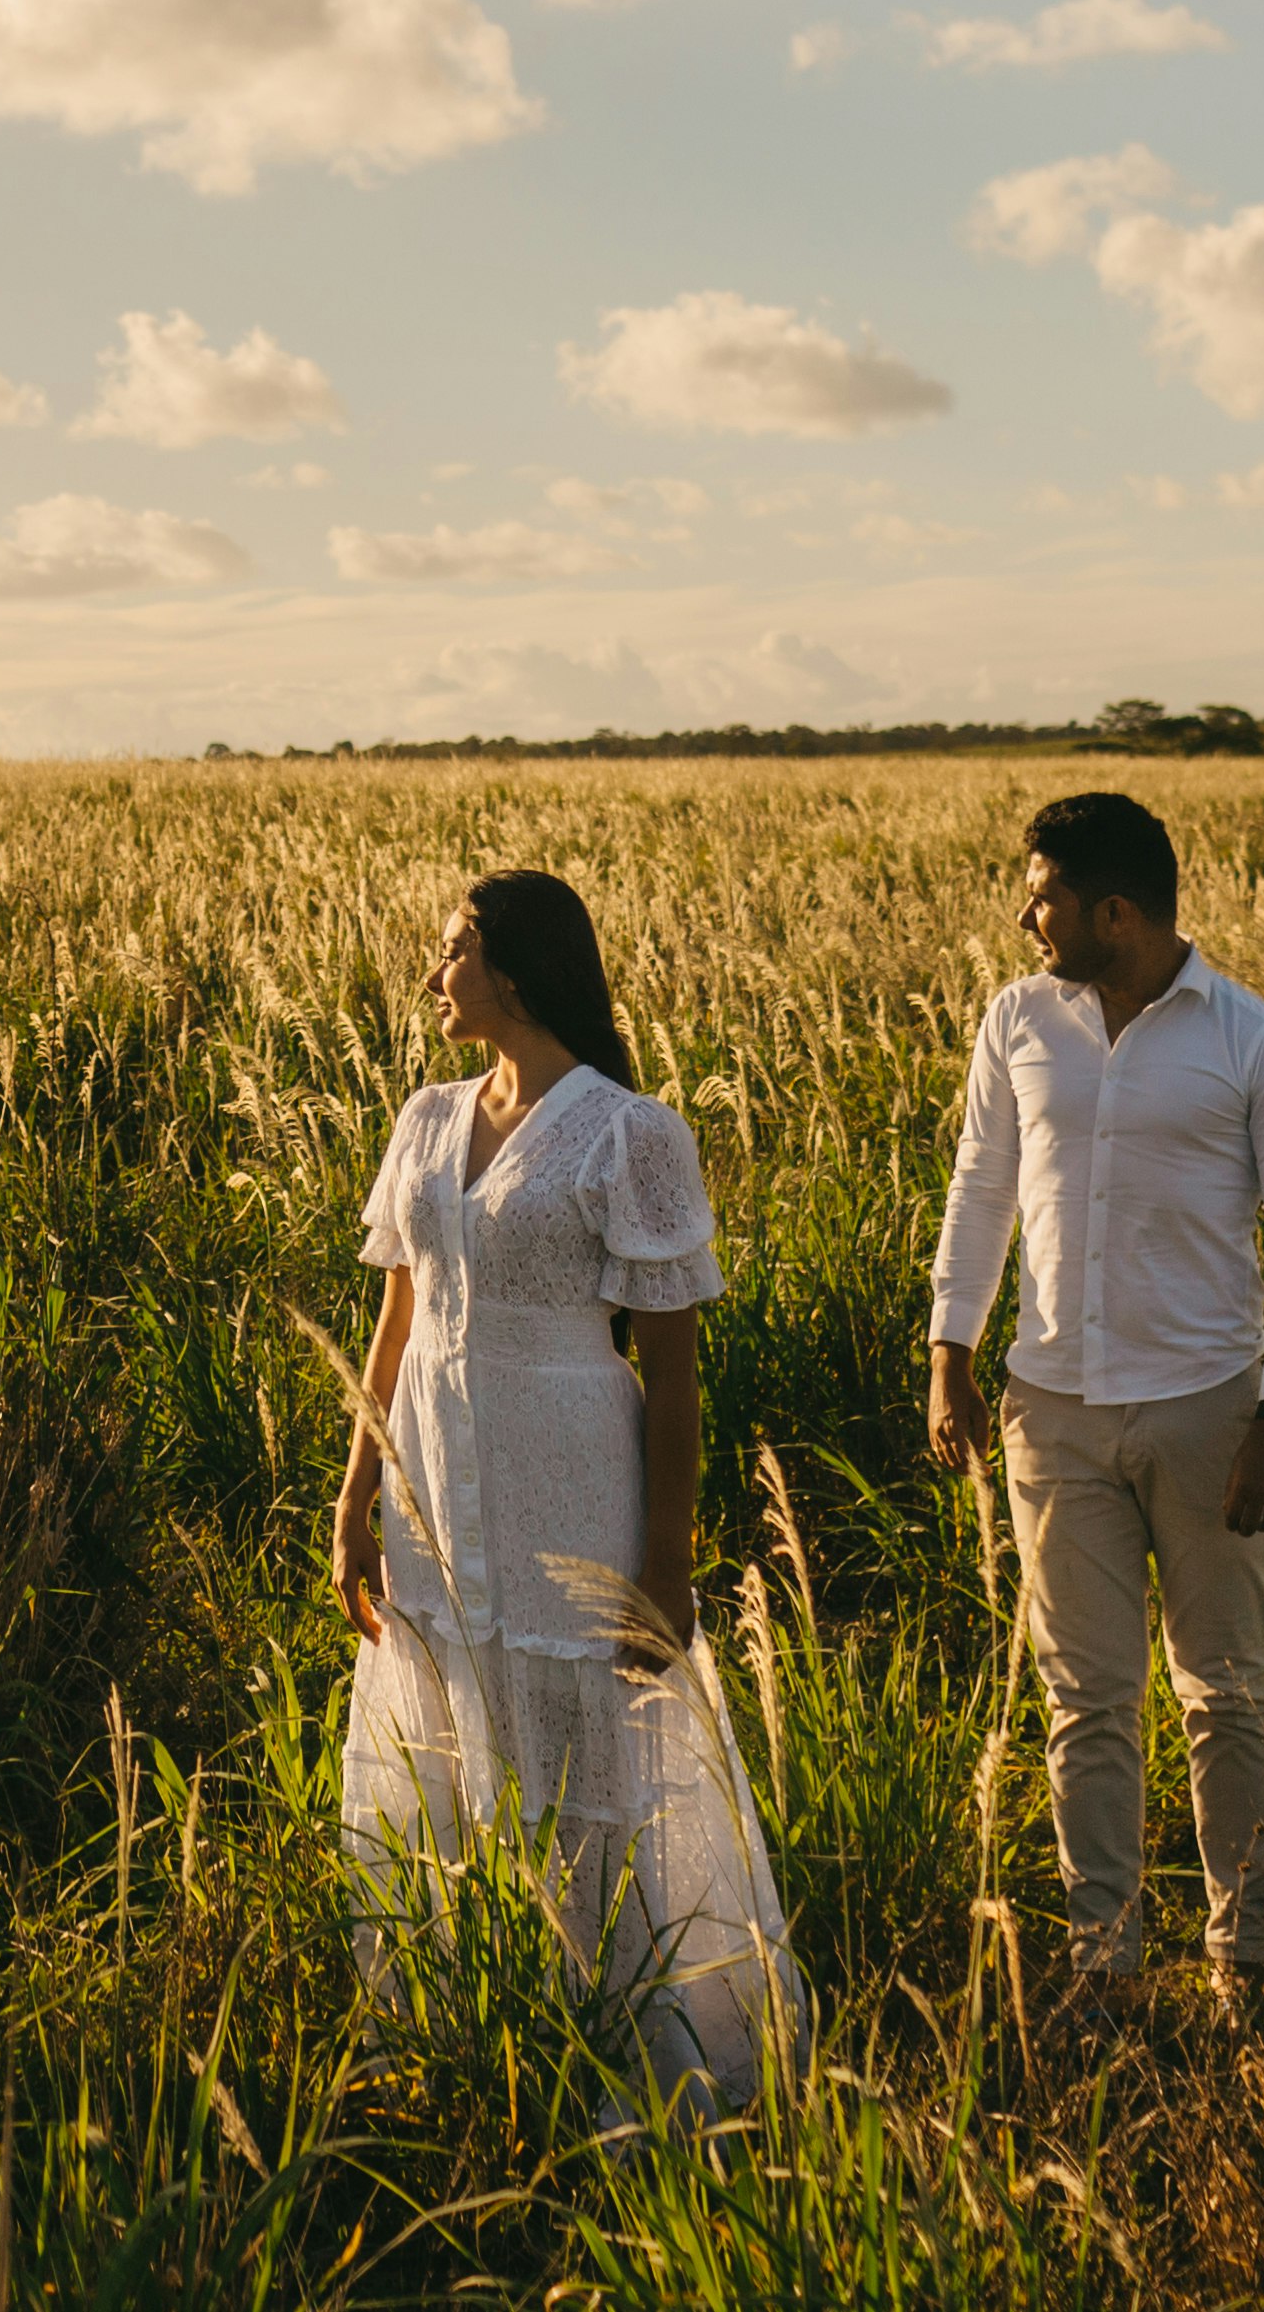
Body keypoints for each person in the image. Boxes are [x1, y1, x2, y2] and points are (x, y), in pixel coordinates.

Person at [332, 869, 803, 2105]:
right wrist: (352, 1500)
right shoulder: (425, 1116)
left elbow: (673, 1372)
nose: (434, 977)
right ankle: (479, 2029)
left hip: (569, 1466)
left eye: (451, 955)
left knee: (584, 1756)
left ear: (515, 969)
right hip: (432, 1478)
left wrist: (662, 1565)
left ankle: (621, 2053)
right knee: (450, 1729)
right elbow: (391, 1324)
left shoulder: (626, 1131)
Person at [925, 789, 1264, 1996]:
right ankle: (1100, 1966)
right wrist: (949, 1350)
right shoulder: (1017, 1021)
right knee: (1084, 1699)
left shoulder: (1258, 1045)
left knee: (1224, 1693)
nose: (1025, 914)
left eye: (1044, 893)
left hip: (1208, 1410)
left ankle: (1239, 1958)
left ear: (1115, 908)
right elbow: (979, 1188)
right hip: (1047, 1408)